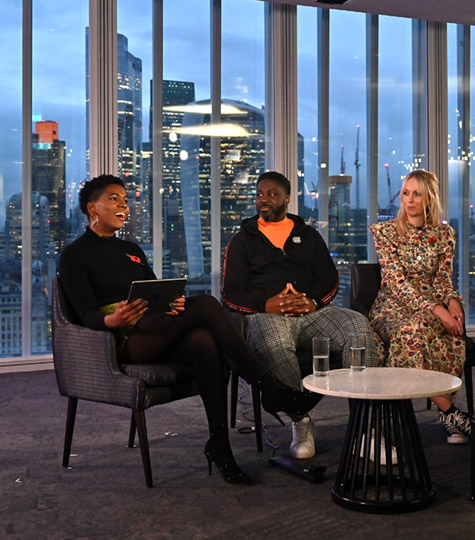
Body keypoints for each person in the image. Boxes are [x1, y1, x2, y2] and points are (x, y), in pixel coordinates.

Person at [58, 175, 319, 485]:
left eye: (125, 201)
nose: (124, 206)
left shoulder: (131, 249)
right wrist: (112, 321)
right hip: (119, 339)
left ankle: (219, 445)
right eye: (114, 199)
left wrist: (172, 303)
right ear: (92, 208)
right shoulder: (75, 254)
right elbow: (85, 315)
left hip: (153, 328)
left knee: (204, 342)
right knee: (206, 304)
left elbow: (155, 291)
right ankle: (268, 386)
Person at [222, 171, 379, 460]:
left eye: (271, 194)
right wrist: (265, 304)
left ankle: (367, 426)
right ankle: (301, 420)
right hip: (266, 316)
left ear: (287, 198)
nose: (263, 199)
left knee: (358, 325)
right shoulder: (242, 240)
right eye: (259, 194)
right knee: (275, 344)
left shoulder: (308, 236)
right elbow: (230, 293)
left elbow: (329, 278)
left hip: (313, 314)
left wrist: (313, 302)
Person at [368, 170, 471, 444]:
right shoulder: (385, 232)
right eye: (406, 193)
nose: (410, 200)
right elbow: (396, 282)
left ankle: (440, 418)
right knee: (408, 333)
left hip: (431, 305)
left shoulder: (445, 234)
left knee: (452, 339)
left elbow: (442, 279)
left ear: (429, 198)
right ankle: (450, 412)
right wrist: (439, 310)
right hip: (392, 306)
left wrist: (452, 301)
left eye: (417, 194)